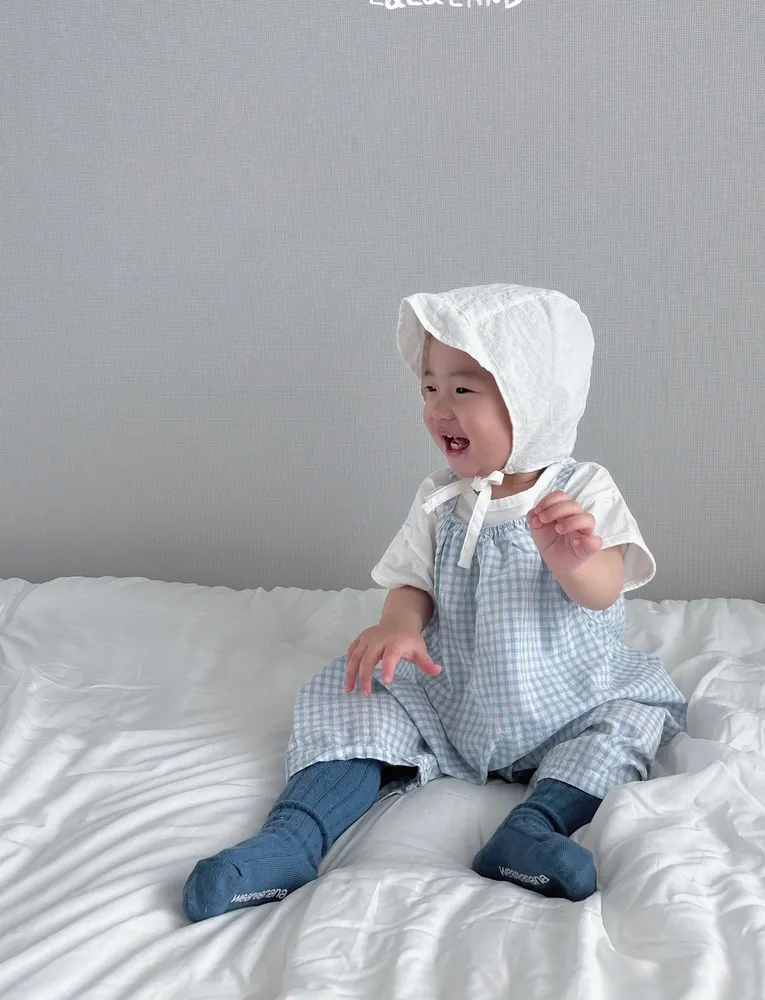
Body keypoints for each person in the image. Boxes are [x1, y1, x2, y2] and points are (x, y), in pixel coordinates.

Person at [182, 282, 687, 921]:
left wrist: (578, 562)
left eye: (463, 390)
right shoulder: (442, 496)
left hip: (571, 695)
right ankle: (292, 838)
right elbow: (412, 581)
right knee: (356, 690)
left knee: (627, 724)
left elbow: (608, 586)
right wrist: (399, 627)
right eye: (428, 388)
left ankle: (535, 829)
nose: (438, 409)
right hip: (454, 693)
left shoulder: (582, 489)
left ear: (533, 398)